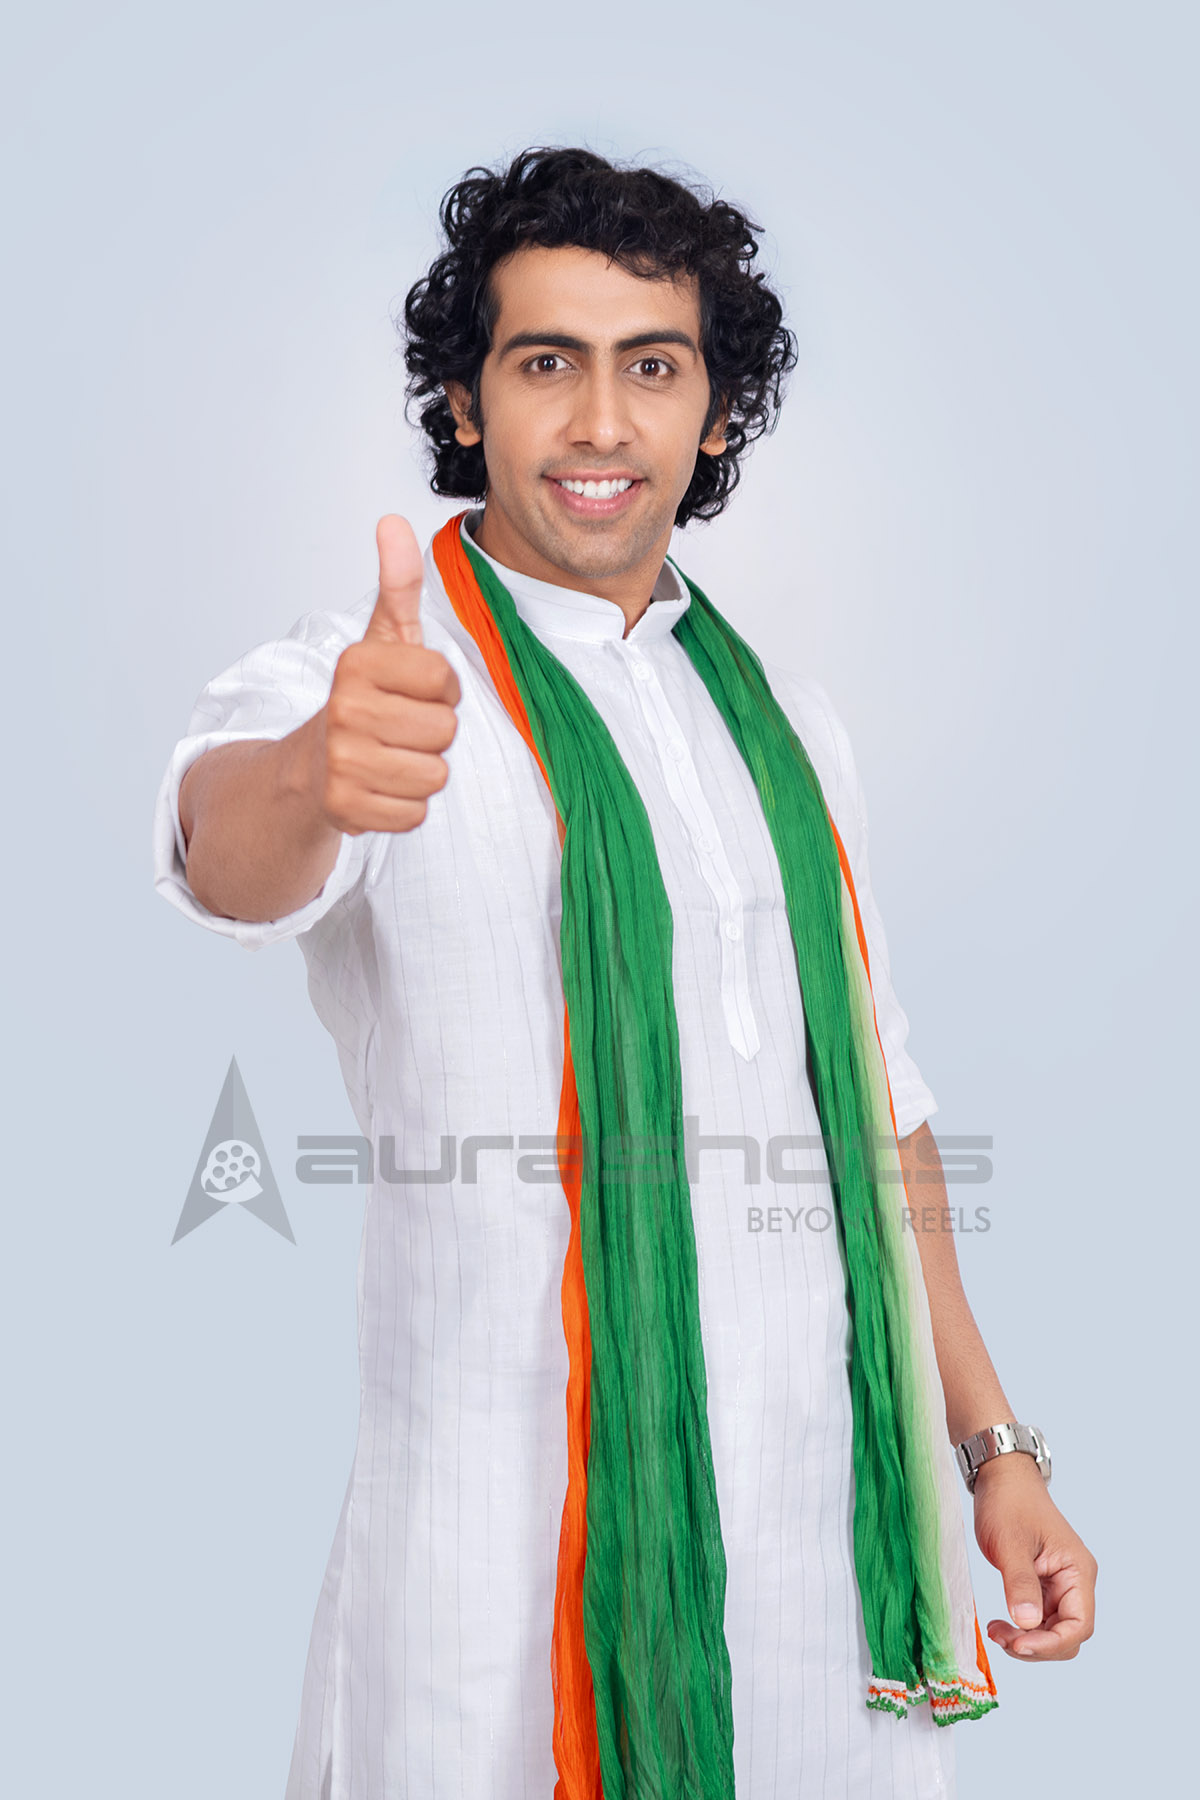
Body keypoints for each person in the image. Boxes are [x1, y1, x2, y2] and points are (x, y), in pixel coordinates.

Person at [153, 146, 1097, 1800]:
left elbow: (880, 1108)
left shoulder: (785, 722)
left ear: (716, 414)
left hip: (825, 1562)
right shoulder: (377, 679)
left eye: (653, 368)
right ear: (465, 402)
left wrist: (992, 1446)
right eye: (547, 364)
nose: (601, 423)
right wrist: (317, 773)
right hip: (501, 1576)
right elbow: (220, 845)